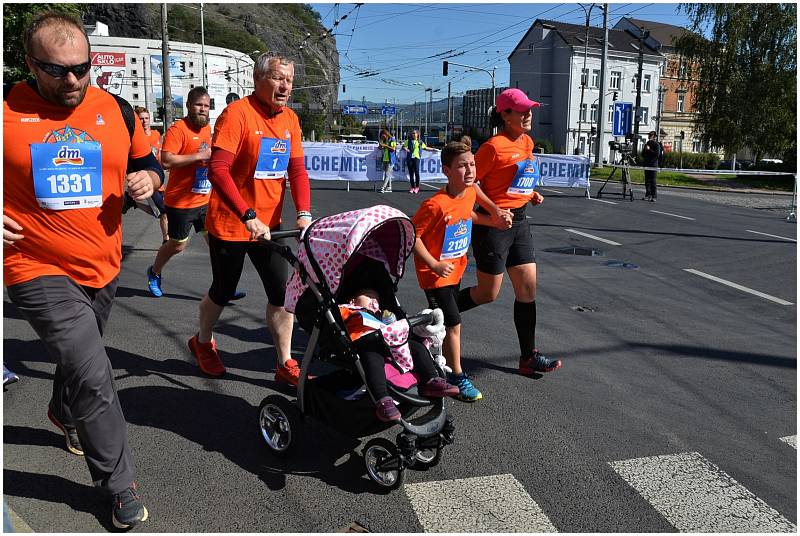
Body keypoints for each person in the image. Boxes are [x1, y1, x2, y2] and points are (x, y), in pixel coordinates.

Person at [3, 11, 161, 528]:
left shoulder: (115, 108)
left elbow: (147, 162)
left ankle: (62, 412)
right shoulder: (5, 108)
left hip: (102, 263)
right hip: (32, 264)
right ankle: (118, 487)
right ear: (30, 65)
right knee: (95, 375)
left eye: (82, 68)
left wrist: (148, 182)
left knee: (79, 363)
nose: (72, 80)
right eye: (56, 70)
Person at [188, 55, 312, 384]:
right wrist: (247, 215)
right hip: (232, 223)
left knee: (281, 295)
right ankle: (202, 341)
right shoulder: (237, 114)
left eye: (289, 79)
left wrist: (303, 213)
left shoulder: (290, 120)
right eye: (277, 78)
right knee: (223, 288)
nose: (285, 86)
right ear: (257, 79)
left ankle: (285, 362)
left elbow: (297, 170)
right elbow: (218, 169)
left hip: (269, 226)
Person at [456, 88, 562, 377]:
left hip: (520, 223)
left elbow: (514, 178)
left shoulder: (527, 141)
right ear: (505, 114)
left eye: (530, 110)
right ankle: (439, 312)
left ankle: (528, 356)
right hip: (495, 227)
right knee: (487, 293)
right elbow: (471, 183)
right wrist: (493, 210)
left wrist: (531, 193)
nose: (528, 115)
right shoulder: (492, 147)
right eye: (522, 110)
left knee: (527, 289)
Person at [411, 136, 507, 402]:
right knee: (454, 324)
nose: (470, 171)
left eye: (473, 165)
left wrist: (493, 221)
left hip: (456, 271)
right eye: (463, 166)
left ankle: (421, 330)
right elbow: (412, 236)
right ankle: (456, 375)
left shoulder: (471, 192)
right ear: (446, 170)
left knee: (444, 319)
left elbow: (468, 214)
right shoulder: (434, 205)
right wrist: (433, 263)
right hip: (435, 275)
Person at [339, 288, 457, 421]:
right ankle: (383, 399)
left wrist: (392, 320)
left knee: (417, 346)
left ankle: (432, 379)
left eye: (376, 298)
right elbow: (337, 321)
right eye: (368, 296)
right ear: (353, 300)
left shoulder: (381, 314)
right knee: (373, 359)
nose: (373, 300)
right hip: (366, 343)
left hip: (389, 341)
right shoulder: (347, 309)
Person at [134, 106, 169, 243]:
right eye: (141, 119)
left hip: (159, 176)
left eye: (146, 118)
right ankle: (166, 239)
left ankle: (135, 204)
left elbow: (160, 152)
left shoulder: (156, 134)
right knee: (164, 210)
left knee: (159, 213)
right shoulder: (137, 138)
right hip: (146, 178)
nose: (144, 121)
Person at [405, 129, 438, 194]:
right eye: (413, 133)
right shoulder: (408, 141)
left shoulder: (420, 142)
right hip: (410, 158)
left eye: (415, 133)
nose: (414, 134)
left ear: (418, 134)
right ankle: (412, 187)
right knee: (411, 174)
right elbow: (403, 147)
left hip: (416, 158)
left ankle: (417, 187)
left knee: (417, 173)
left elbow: (425, 148)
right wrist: (406, 149)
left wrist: (433, 149)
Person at [642, 130, 661, 202]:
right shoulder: (647, 144)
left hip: (653, 165)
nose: (649, 137)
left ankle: (654, 196)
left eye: (651, 135)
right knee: (647, 181)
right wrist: (645, 149)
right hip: (647, 165)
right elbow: (643, 154)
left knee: (653, 181)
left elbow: (657, 154)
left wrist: (649, 150)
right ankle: (648, 195)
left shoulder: (657, 145)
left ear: (654, 137)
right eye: (649, 135)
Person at [378, 129, 397, 193]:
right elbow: (381, 148)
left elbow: (393, 149)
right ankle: (389, 187)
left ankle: (383, 187)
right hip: (385, 159)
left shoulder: (392, 139)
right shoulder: (384, 140)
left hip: (391, 159)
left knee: (387, 174)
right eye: (381, 136)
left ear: (386, 134)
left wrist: (385, 146)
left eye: (383, 136)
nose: (382, 137)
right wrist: (381, 146)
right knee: (388, 174)